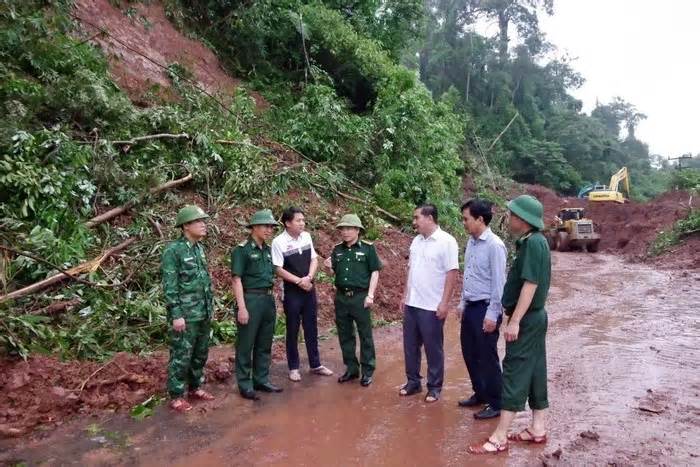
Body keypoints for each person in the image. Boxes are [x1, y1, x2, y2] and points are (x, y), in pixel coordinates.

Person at [469, 195, 551, 455]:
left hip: (526, 318)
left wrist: (514, 321)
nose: (509, 218)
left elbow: (530, 284)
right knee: (536, 370)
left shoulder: (533, 244)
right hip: (533, 317)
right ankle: (538, 428)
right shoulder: (531, 242)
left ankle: (499, 437)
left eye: (513, 215)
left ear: (523, 220)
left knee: (514, 371)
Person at [399, 204, 459, 403]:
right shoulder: (416, 241)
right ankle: (413, 382)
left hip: (432, 305)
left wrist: (445, 303)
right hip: (413, 303)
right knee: (410, 346)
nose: (414, 222)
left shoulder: (447, 242)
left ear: (430, 218)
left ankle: (434, 387)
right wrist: (404, 296)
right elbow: (410, 270)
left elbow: (452, 273)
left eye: (417, 218)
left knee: (433, 348)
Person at [161, 205, 216, 412]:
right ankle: (176, 395)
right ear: (185, 226)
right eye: (198, 221)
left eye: (204, 221)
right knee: (181, 354)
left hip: (203, 312)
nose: (203, 225)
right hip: (185, 315)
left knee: (200, 352)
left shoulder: (199, 249)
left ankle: (195, 387)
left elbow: (204, 282)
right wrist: (176, 314)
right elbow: (170, 286)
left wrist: (210, 307)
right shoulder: (173, 251)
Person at [457, 199, 507, 420]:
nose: (464, 223)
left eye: (466, 219)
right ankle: (481, 393)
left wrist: (492, 314)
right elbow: (468, 276)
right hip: (471, 307)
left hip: (486, 308)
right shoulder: (471, 242)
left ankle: (496, 403)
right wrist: (462, 303)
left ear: (480, 219)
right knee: (470, 354)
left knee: (487, 357)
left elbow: (499, 284)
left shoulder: (494, 245)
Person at [271, 207, 333, 382]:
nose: (302, 223)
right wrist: (299, 281)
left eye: (303, 220)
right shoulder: (278, 242)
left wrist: (309, 278)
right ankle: (293, 367)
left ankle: (315, 364)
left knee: (311, 327)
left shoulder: (306, 237)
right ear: (288, 223)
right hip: (292, 292)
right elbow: (277, 268)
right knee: (292, 329)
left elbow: (314, 259)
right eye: (298, 220)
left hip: (309, 288)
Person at [231, 209, 284, 400]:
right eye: (265, 226)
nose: (269, 230)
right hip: (250, 300)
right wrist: (242, 307)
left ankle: (261, 379)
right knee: (246, 344)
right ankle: (245, 384)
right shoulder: (242, 250)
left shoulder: (268, 250)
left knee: (264, 343)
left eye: (271, 227)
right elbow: (236, 280)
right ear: (253, 227)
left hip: (267, 300)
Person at [324, 214, 382, 387]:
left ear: (357, 230)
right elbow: (334, 273)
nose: (345, 232)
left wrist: (370, 295)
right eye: (343, 229)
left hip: (360, 297)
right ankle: (351, 369)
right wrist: (328, 268)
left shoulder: (367, 249)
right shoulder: (337, 249)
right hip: (341, 297)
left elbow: (375, 271)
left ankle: (367, 371)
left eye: (349, 228)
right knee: (345, 335)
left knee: (365, 336)